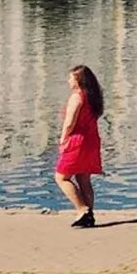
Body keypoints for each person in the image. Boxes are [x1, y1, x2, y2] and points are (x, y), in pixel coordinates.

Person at [54, 65, 105, 228]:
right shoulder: (93, 97)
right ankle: (89, 215)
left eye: (71, 77)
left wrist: (63, 139)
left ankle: (82, 210)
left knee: (61, 177)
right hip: (91, 140)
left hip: (78, 140)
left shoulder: (77, 97)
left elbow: (70, 122)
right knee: (84, 178)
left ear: (78, 80)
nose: (68, 80)